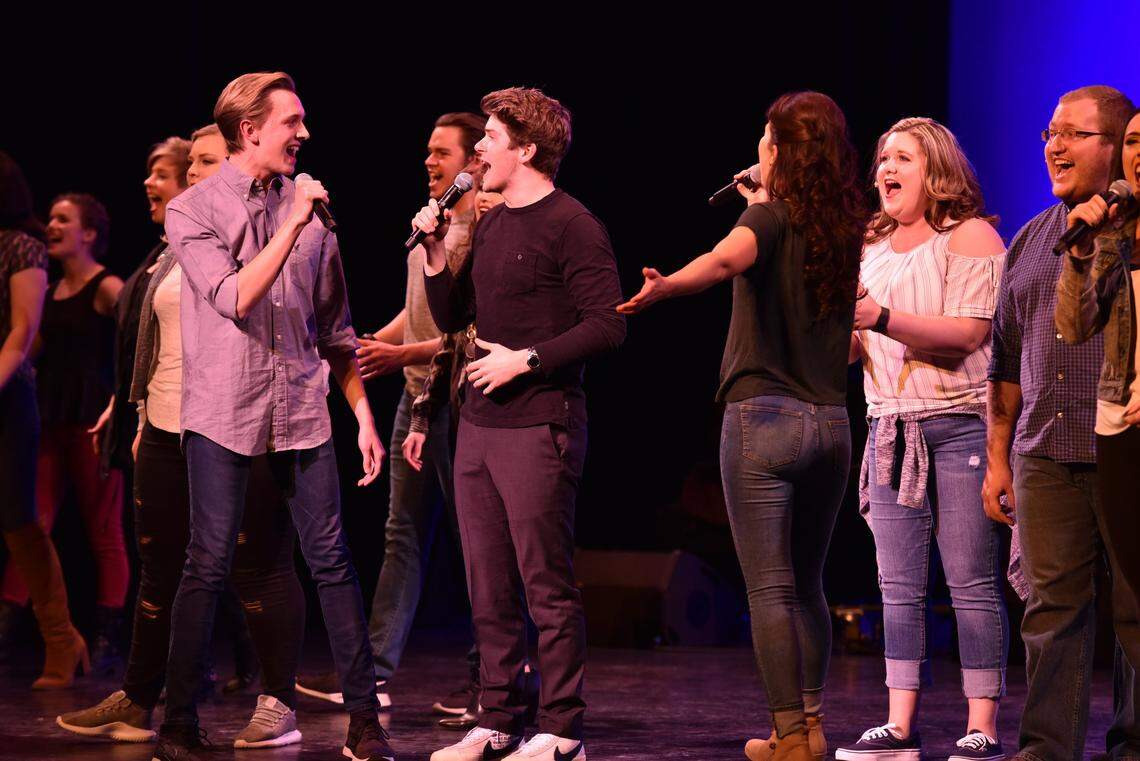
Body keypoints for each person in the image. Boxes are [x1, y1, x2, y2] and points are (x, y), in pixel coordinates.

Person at [618, 90, 868, 761]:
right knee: (808, 584)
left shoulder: (767, 217)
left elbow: (726, 259)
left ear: (779, 150)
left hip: (764, 418)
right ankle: (811, 725)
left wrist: (668, 286)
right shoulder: (842, 228)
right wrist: (763, 199)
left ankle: (790, 736)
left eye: (766, 136)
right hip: (830, 425)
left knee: (770, 587)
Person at [153, 72, 394, 761]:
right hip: (223, 413)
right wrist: (293, 222)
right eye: (292, 121)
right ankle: (177, 727)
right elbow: (233, 297)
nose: (304, 134)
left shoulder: (312, 214)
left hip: (303, 411)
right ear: (250, 129)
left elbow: (335, 332)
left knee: (333, 561)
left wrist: (363, 417)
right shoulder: (193, 210)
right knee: (207, 562)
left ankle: (364, 724)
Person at [55, 124, 308, 751]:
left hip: (236, 423)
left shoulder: (263, 239)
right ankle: (141, 696)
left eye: (205, 162)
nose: (193, 173)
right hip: (167, 423)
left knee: (257, 565)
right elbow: (157, 337)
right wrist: (134, 407)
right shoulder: (178, 242)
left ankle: (277, 699)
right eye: (190, 162)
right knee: (161, 568)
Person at [422, 86, 624, 761]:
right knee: (487, 584)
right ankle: (497, 717)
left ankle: (562, 728)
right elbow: (454, 316)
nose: (478, 148)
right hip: (477, 424)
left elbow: (607, 324)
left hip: (541, 423)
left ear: (527, 149)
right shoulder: (492, 222)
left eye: (490, 137)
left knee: (545, 583)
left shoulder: (573, 224)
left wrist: (526, 360)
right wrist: (434, 251)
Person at [296, 112, 487, 718]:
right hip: (415, 399)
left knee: (476, 541)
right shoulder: (432, 225)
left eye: (442, 152)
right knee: (401, 534)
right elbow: (419, 309)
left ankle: (493, 679)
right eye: (427, 151)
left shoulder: (484, 233)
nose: (429, 162)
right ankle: (371, 674)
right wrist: (375, 342)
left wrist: (401, 353)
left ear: (474, 162)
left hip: (459, 401)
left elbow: (468, 333)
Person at [833, 118, 1009, 761]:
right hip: (890, 426)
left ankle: (982, 723)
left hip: (960, 423)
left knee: (970, 580)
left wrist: (879, 316)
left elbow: (967, 334)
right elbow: (856, 347)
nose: (886, 167)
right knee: (897, 585)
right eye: (883, 157)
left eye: (902, 157)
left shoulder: (970, 236)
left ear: (935, 169)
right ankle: (899, 723)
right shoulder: (871, 243)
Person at [982, 85, 1139, 761]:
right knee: (1050, 612)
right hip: (1043, 454)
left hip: (1125, 449)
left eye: (1073, 134)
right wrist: (997, 458)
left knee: (1135, 610)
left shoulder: (1134, 234)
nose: (1055, 146)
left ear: (1119, 148)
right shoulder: (1034, 238)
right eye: (1050, 133)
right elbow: (1005, 359)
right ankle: (1045, 750)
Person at [1, 191, 128, 676]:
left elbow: (138, 338)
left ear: (89, 233)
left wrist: (121, 401)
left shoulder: (107, 285)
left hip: (93, 420)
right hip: (50, 418)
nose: (51, 226)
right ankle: (9, 629)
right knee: (31, 523)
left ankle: (106, 641)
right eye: (50, 218)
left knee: (104, 531)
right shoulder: (48, 290)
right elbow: (29, 346)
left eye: (63, 219)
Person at [1053, 105, 1140, 754]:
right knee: (1132, 600)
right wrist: (1083, 247)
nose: (1139, 154)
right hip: (1118, 426)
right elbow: (1074, 326)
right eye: (1134, 142)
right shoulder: (1118, 231)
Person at [0, 151, 87, 690]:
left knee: (19, 520)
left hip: (9, 399)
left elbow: (22, 331)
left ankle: (61, 640)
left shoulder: (21, 246)